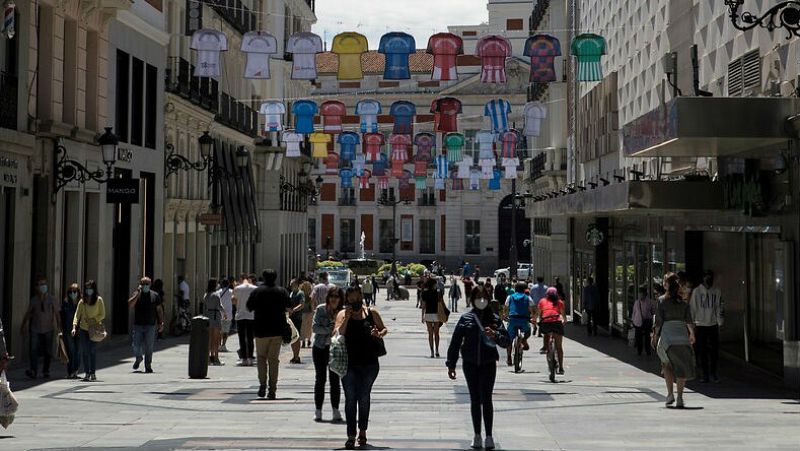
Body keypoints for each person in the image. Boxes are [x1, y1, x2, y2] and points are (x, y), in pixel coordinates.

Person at [446, 286, 509, 450]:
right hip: (470, 363)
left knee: (486, 398)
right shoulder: (466, 318)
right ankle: (477, 435)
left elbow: (506, 341)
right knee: (475, 399)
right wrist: (451, 364)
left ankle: (489, 436)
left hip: (488, 363)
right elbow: (455, 342)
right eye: (478, 297)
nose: (481, 300)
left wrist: (495, 335)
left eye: (484, 297)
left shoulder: (494, 319)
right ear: (473, 300)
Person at [334, 287, 388, 450]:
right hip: (348, 364)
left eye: (357, 299)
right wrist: (347, 318)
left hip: (370, 364)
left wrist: (379, 333)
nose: (355, 302)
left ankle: (362, 431)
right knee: (350, 398)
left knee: (364, 396)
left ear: (361, 297)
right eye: (351, 300)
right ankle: (351, 435)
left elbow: (384, 329)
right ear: (347, 300)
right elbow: (337, 334)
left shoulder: (371, 313)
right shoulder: (342, 314)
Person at [652, 272, 696, 408]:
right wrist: (692, 334)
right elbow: (689, 321)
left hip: (667, 339)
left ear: (668, 285)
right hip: (682, 338)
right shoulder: (683, 303)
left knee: (667, 365)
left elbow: (658, 322)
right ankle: (680, 397)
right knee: (681, 369)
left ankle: (670, 394)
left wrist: (655, 336)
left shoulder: (661, 301)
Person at [247, 269, 292, 399]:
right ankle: (272, 389)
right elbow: (289, 307)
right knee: (273, 360)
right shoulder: (282, 291)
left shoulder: (257, 291)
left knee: (261, 358)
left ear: (264, 277)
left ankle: (262, 384)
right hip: (277, 330)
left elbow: (249, 307)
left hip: (260, 330)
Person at [311, 287, 344, 422]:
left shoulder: (342, 312)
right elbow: (314, 327)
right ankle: (318, 410)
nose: (334, 299)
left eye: (337, 296)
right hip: (320, 348)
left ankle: (335, 410)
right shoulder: (321, 309)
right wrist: (330, 329)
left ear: (341, 299)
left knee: (335, 380)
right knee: (320, 379)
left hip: (335, 349)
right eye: (332, 296)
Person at [21, 276, 60, 379]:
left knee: (48, 351)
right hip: (35, 328)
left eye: (44, 284)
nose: (43, 286)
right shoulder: (34, 300)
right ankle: (33, 370)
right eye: (41, 284)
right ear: (37, 287)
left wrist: (59, 327)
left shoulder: (52, 299)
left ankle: (46, 370)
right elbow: (28, 313)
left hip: (48, 329)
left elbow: (57, 314)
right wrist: (24, 325)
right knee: (33, 350)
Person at [690, 270, 724, 383]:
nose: (709, 280)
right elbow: (693, 308)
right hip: (700, 324)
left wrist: (720, 322)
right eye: (707, 277)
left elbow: (719, 307)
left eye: (710, 278)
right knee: (702, 351)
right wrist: (692, 324)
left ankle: (713, 373)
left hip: (713, 324)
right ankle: (705, 374)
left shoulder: (716, 291)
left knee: (714, 351)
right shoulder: (697, 291)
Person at [128, 277, 164, 373]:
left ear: (150, 284)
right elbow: (130, 305)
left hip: (150, 325)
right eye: (143, 284)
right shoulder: (136, 294)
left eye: (147, 284)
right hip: (138, 325)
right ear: (140, 285)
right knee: (136, 345)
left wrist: (161, 322)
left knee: (149, 347)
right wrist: (137, 294)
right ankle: (139, 357)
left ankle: (148, 365)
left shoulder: (155, 295)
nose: (145, 286)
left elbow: (159, 310)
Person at [72, 280, 105, 381]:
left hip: (94, 329)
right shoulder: (82, 301)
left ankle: (93, 373)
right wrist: (74, 327)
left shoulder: (99, 300)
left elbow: (102, 314)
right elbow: (77, 314)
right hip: (83, 329)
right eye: (87, 288)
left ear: (94, 289)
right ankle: (87, 373)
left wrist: (94, 319)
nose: (88, 290)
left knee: (92, 351)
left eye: (90, 288)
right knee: (85, 351)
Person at [503, 282, 536, 366]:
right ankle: (524, 340)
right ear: (524, 289)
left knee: (509, 339)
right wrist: (533, 317)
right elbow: (533, 308)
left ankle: (509, 357)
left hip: (512, 319)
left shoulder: (510, 297)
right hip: (524, 319)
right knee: (528, 331)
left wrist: (505, 316)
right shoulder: (528, 297)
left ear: (515, 289)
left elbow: (505, 308)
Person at [537, 287, 567, 378]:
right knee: (559, 347)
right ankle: (561, 367)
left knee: (546, 336)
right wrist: (564, 321)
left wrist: (539, 321)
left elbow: (540, 314)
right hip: (557, 323)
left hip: (546, 323)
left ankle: (546, 347)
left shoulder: (542, 301)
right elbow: (563, 316)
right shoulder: (560, 302)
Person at [233, 274, 257, 366]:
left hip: (240, 315)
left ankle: (244, 358)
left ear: (241, 279)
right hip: (251, 315)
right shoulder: (254, 288)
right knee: (250, 337)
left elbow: (233, 301)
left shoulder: (237, 288)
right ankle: (250, 357)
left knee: (242, 338)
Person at [61, 283, 82, 378]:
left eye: (74, 291)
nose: (72, 293)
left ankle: (75, 371)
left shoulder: (81, 303)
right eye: (70, 292)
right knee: (70, 351)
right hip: (67, 329)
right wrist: (60, 329)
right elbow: (62, 316)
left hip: (80, 329)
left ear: (78, 292)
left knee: (78, 351)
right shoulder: (66, 303)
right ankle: (70, 372)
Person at [204, 279, 225, 366]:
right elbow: (219, 306)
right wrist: (225, 312)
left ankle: (208, 359)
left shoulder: (206, 295)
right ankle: (216, 358)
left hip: (208, 315)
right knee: (216, 340)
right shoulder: (216, 295)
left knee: (209, 339)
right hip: (216, 317)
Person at [420, 278, 443, 358]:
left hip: (428, 314)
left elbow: (423, 305)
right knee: (436, 333)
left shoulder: (424, 293)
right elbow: (441, 303)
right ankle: (437, 350)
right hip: (436, 314)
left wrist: (422, 316)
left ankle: (432, 351)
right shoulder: (438, 292)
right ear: (433, 284)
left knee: (430, 334)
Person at [631, 286, 655, 357]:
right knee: (639, 337)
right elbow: (634, 312)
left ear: (644, 294)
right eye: (639, 294)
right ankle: (639, 350)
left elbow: (653, 311)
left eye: (641, 294)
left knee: (647, 337)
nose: (639, 296)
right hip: (638, 322)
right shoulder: (636, 302)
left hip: (647, 321)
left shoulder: (650, 302)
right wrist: (633, 321)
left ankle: (648, 350)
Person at [288, 279, 306, 363]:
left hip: (297, 318)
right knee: (292, 337)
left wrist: (293, 310)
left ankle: (297, 356)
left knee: (297, 337)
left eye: (292, 284)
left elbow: (302, 304)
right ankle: (294, 355)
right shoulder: (291, 293)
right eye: (290, 284)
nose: (291, 285)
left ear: (297, 284)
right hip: (291, 318)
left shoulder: (300, 293)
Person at [217, 278, 234, 353]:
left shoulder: (218, 292)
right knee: (226, 331)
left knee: (219, 331)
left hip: (219, 314)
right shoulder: (231, 292)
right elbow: (234, 301)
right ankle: (223, 345)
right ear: (228, 284)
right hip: (228, 314)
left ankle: (219, 345)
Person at [300, 276, 317, 349]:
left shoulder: (302, 296)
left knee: (303, 327)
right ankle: (309, 340)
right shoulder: (310, 297)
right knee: (309, 327)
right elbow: (313, 305)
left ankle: (303, 341)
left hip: (303, 313)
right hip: (310, 313)